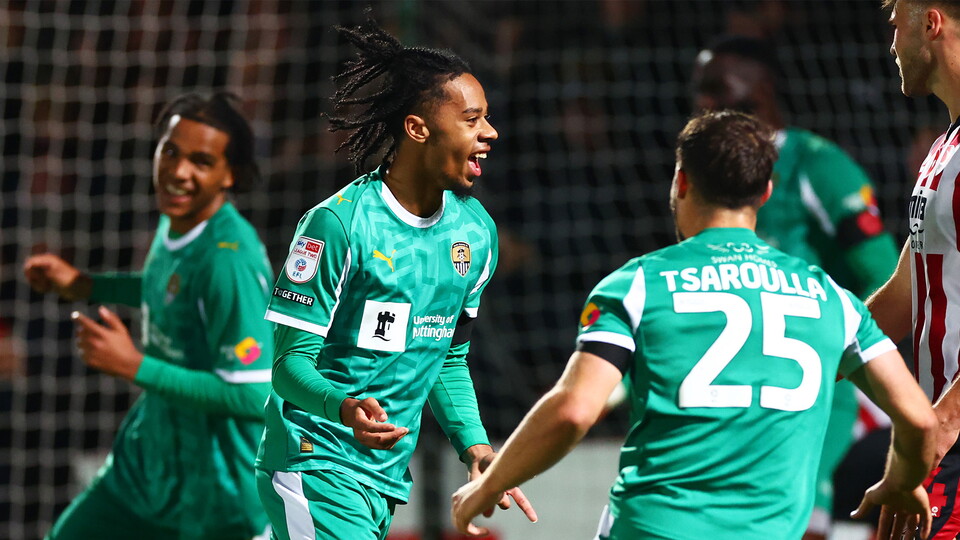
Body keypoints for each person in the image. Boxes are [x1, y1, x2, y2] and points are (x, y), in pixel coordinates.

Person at [450, 110, 937, 540]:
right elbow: (919, 419)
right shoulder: (830, 298)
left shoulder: (638, 285)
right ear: (765, 193)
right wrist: (902, 480)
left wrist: (488, 485)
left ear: (681, 181)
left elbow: (574, 410)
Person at [254, 17, 536, 540]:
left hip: (381, 479)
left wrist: (475, 447)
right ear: (418, 129)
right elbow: (288, 366)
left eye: (487, 118)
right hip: (315, 462)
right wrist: (344, 408)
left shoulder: (475, 233)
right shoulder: (338, 225)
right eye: (472, 119)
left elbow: (447, 356)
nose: (490, 132)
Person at [23, 92, 274, 540]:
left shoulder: (229, 260)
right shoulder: (178, 221)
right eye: (171, 152)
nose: (178, 172)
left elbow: (256, 395)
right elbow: (170, 291)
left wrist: (133, 365)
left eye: (201, 161)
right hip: (147, 467)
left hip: (215, 497)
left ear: (229, 175)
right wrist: (85, 286)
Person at [691, 35, 902, 539]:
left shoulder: (816, 164)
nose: (702, 101)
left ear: (762, 86)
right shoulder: (711, 177)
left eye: (715, 86)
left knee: (794, 517)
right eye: (699, 89)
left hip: (816, 383)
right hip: (739, 387)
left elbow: (888, 276)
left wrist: (839, 357)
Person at [870, 1, 960, 537]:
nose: (892, 44)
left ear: (930, 23)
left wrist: (942, 427)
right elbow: (902, 300)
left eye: (895, 25)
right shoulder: (944, 149)